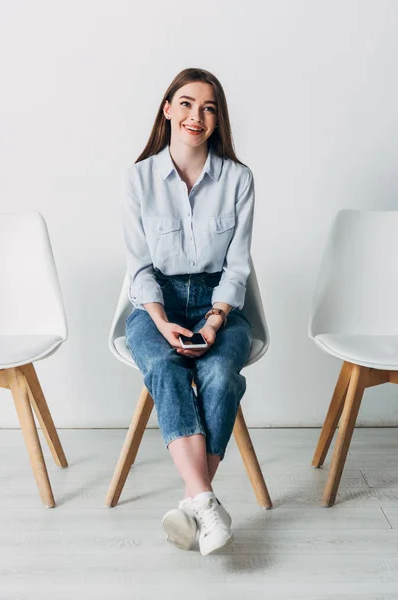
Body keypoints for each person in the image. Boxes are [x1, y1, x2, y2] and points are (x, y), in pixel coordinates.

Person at [122, 67, 255, 556]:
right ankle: (205, 502)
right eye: (186, 103)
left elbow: (237, 267)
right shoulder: (139, 178)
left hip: (219, 306)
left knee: (221, 375)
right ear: (167, 109)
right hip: (156, 305)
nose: (195, 115)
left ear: (218, 120)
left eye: (208, 107)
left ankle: (190, 502)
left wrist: (215, 320)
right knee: (162, 366)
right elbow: (138, 268)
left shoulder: (238, 180)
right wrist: (160, 321)